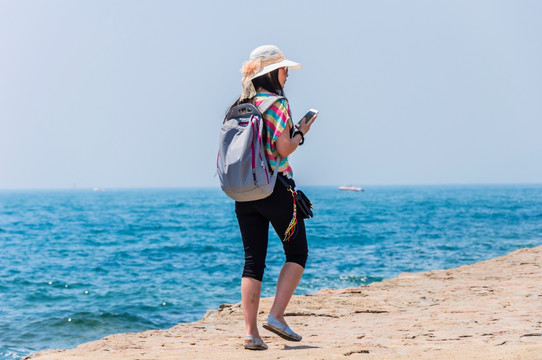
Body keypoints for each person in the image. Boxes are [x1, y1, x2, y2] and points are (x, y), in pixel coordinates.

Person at [227, 45, 317, 350]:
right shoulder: (277, 104)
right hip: (274, 188)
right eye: (284, 70)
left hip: (243, 192)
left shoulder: (241, 103)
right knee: (297, 252)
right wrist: (301, 133)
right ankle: (276, 316)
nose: (287, 74)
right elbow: (282, 149)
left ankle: (251, 334)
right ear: (271, 73)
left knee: (253, 262)